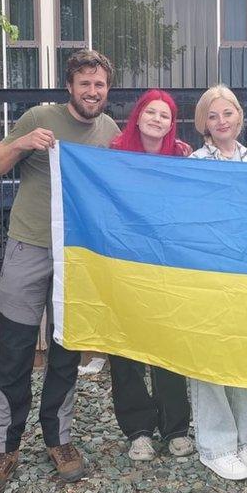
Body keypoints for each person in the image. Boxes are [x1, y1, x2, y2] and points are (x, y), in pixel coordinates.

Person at [0, 50, 120, 493]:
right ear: (70, 86)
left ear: (106, 89)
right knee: (15, 350)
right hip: (28, 247)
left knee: (65, 350)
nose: (92, 92)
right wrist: (22, 143)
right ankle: (4, 446)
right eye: (84, 83)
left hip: (77, 257)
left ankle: (59, 438)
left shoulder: (111, 130)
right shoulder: (39, 116)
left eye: (99, 85)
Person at [106, 89, 195, 461]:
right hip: (125, 265)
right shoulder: (113, 154)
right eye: (151, 112)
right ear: (138, 116)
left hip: (168, 267)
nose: (158, 119)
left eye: (165, 115)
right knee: (126, 349)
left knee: (168, 346)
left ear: (171, 123)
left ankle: (175, 427)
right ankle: (138, 430)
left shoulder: (182, 156)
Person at [186, 85, 247, 481]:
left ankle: (242, 439)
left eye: (227, 114)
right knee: (209, 357)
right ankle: (214, 445)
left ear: (239, 117)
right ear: (204, 122)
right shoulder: (194, 162)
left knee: (245, 356)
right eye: (213, 116)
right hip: (207, 271)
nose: (221, 122)